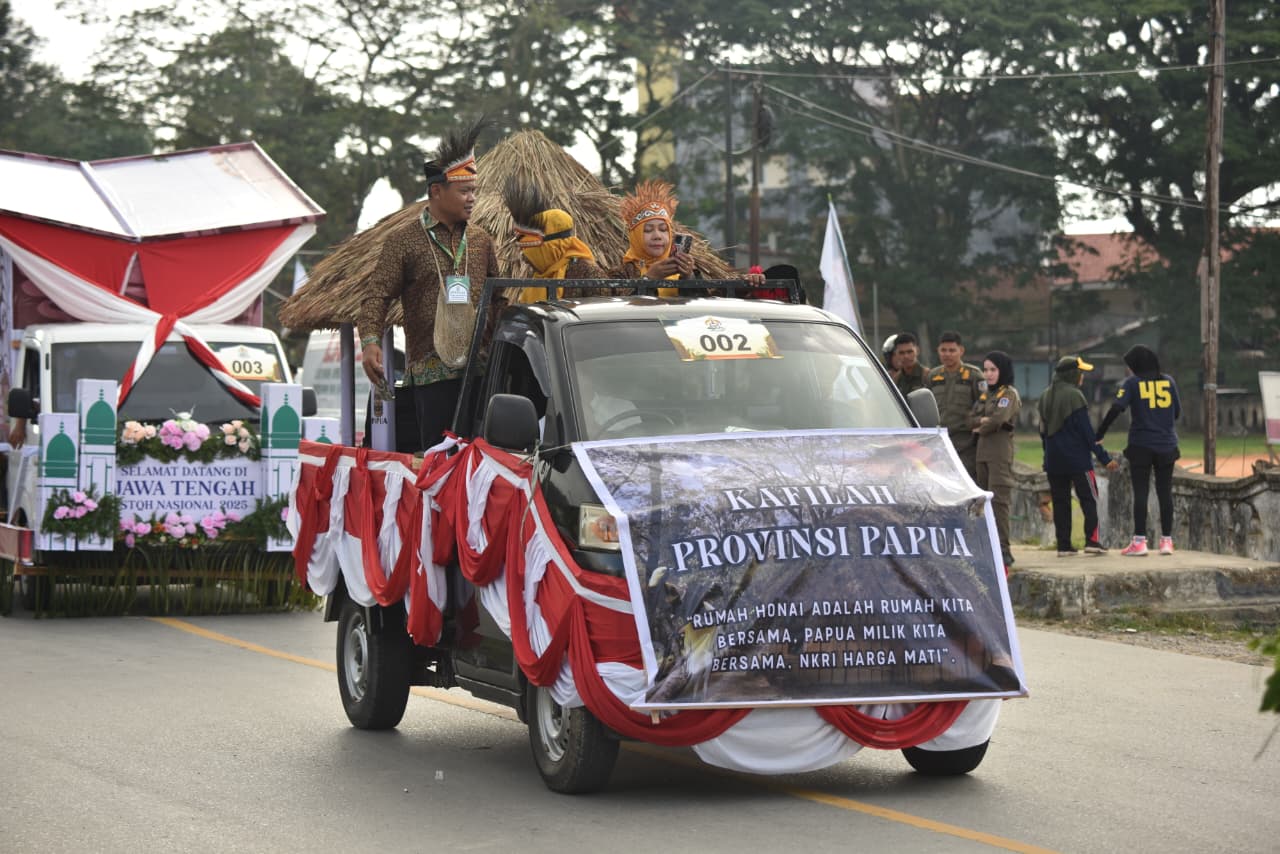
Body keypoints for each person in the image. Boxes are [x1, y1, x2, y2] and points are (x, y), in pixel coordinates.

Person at [357, 120, 500, 451]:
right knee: (439, 462)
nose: (472, 199)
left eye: (474, 191)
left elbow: (499, 298)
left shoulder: (481, 240)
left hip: (478, 374)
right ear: (437, 192)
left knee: (479, 462)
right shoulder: (404, 240)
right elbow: (376, 295)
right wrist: (369, 343)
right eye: (464, 191)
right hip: (429, 374)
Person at [1095, 344, 1182, 556]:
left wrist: (1099, 434)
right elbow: (1177, 412)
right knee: (1165, 492)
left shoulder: (1133, 383)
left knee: (1141, 491)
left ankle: (1140, 541)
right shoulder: (1169, 381)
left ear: (1136, 366)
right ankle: (1167, 541)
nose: (1128, 370)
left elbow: (1117, 407)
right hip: (1167, 444)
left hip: (1141, 445)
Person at [611, 179, 763, 294]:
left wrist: (689, 277)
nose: (657, 236)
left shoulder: (683, 268)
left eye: (663, 230)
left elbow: (704, 308)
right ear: (635, 237)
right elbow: (619, 315)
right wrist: (649, 280)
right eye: (648, 230)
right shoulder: (620, 274)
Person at [1038, 355, 1118, 556]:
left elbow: (1042, 431)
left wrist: (1046, 458)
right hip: (1078, 460)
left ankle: (1063, 545)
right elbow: (1087, 433)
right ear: (1072, 374)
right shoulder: (1075, 396)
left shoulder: (1045, 395)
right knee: (1089, 498)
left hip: (1054, 460)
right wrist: (1104, 458)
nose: (1082, 376)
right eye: (1080, 372)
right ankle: (1092, 541)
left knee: (1061, 501)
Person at [501, 176, 608, 301]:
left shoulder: (588, 274)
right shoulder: (539, 278)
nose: (524, 257)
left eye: (529, 248)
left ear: (552, 247)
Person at [971, 350, 1020, 570]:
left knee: (999, 502)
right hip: (982, 453)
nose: (988, 374)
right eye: (986, 369)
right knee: (984, 502)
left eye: (993, 369)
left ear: (1003, 371)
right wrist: (983, 421)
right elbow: (968, 418)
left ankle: (1003, 549)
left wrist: (981, 424)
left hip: (999, 455)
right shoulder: (987, 395)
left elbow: (999, 419)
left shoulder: (1007, 394)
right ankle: (988, 545)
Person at [926, 330, 983, 477]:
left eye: (952, 350)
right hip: (939, 443)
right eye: (943, 350)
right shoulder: (933, 376)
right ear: (938, 351)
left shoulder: (974, 375)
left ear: (961, 351)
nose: (947, 354)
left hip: (966, 444)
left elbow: (984, 404)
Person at [890, 332, 927, 396]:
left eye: (910, 352)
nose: (906, 356)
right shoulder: (895, 380)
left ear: (917, 351)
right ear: (896, 354)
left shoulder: (927, 376)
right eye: (901, 353)